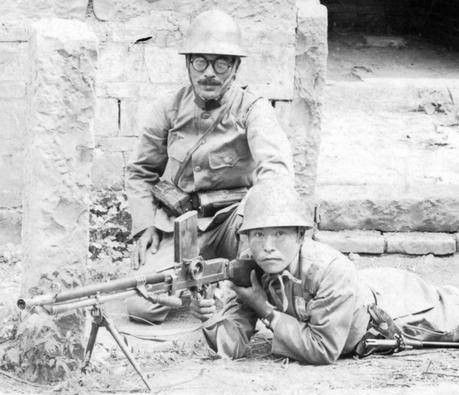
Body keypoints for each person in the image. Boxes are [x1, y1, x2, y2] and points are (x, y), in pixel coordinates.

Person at [126, 10, 294, 323]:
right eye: (200, 62)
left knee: (277, 278)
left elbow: (276, 169)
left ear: (235, 68)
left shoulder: (252, 109)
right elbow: (140, 172)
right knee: (142, 304)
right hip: (183, 227)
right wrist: (144, 224)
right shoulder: (169, 108)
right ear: (188, 64)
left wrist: (259, 220)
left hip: (234, 224)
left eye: (221, 63)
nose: (209, 73)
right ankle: (199, 293)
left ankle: (228, 291)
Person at [191, 182, 459, 363]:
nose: (268, 247)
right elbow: (233, 344)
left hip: (397, 313)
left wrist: (265, 309)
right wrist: (213, 317)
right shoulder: (252, 265)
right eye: (258, 234)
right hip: (365, 286)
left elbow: (323, 348)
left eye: (280, 234)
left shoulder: (329, 271)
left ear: (300, 236)